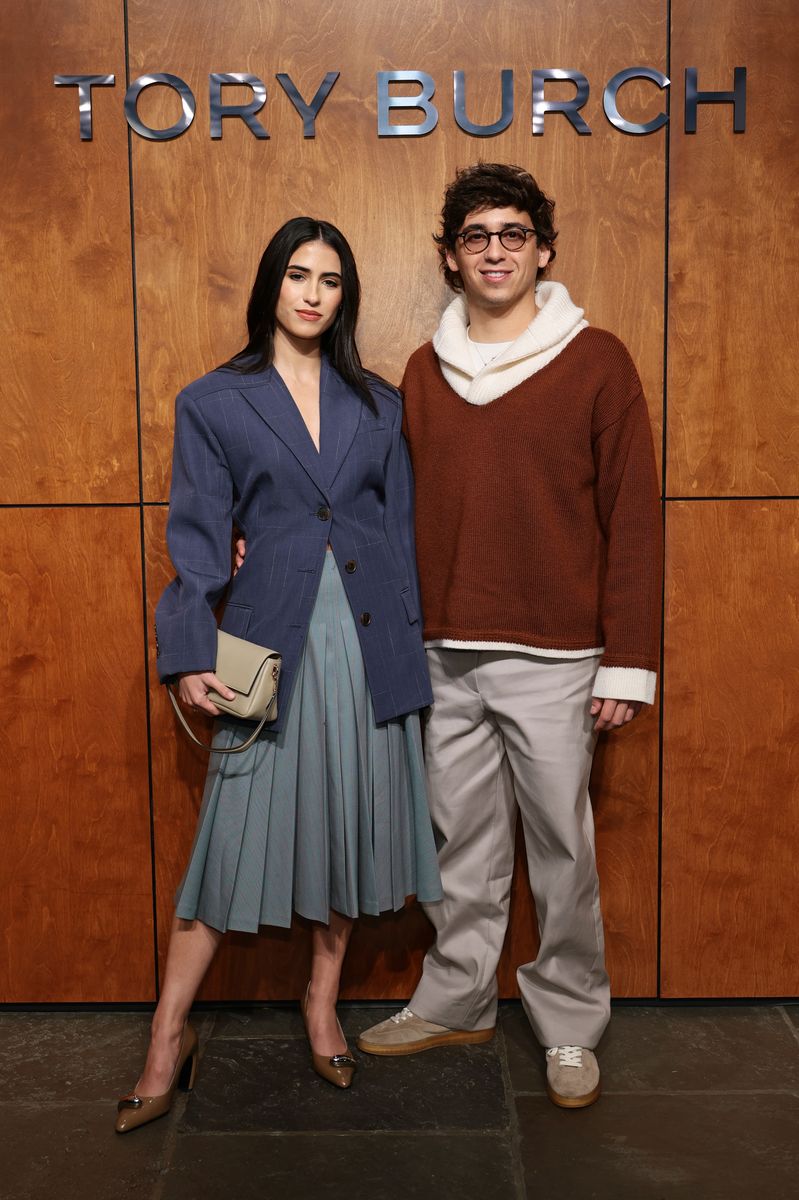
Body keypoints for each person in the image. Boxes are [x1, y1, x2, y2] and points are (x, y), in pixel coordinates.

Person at [115, 217, 441, 1132]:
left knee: (344, 831)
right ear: (270, 285)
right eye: (297, 275)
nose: (312, 293)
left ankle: (321, 1003)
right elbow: (196, 537)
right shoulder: (214, 401)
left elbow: (398, 531)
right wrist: (185, 652)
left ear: (346, 296)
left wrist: (413, 657)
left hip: (370, 642)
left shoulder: (379, 404)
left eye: (330, 280)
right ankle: (165, 1039)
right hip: (270, 642)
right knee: (229, 846)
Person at [356, 163, 662, 1109]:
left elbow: (634, 520)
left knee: (562, 851)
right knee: (460, 846)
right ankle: (457, 999)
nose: (496, 250)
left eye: (513, 234)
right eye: (477, 235)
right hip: (444, 647)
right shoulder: (421, 369)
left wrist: (631, 662)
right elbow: (381, 508)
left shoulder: (597, 359)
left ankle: (570, 1024)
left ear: (543, 250)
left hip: (557, 655)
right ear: (451, 257)